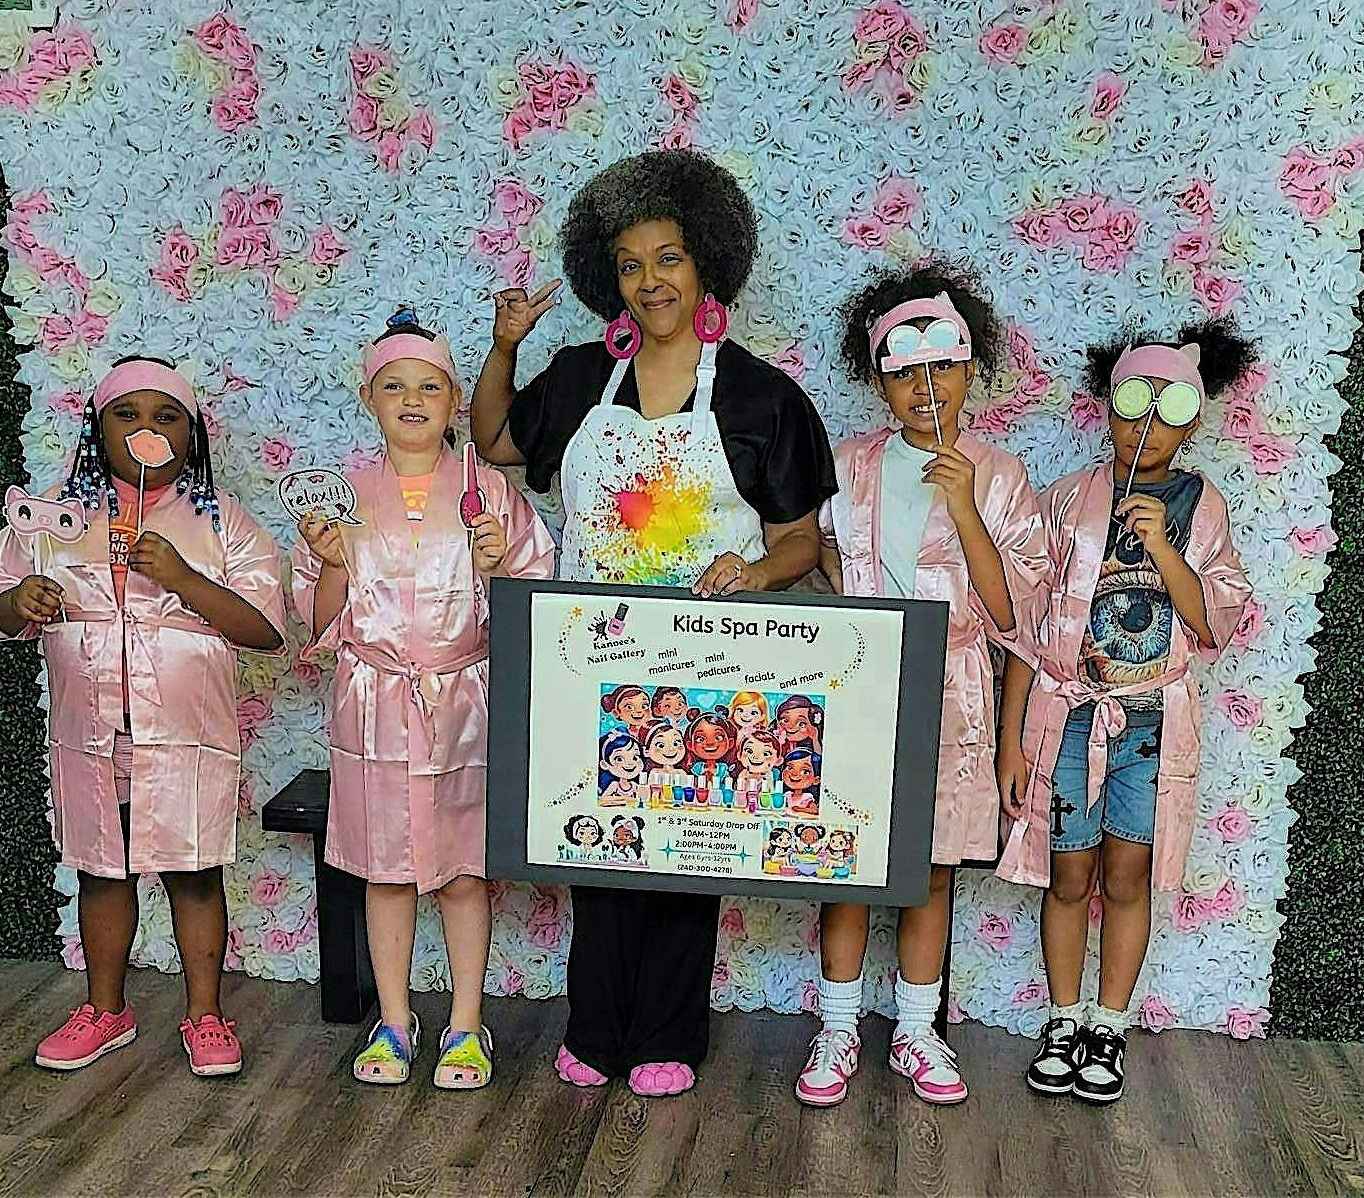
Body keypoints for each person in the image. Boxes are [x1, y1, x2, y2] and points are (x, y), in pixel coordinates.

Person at [472, 149, 837, 1097]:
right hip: (589, 655)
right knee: (596, 844)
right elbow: (496, 440)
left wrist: (754, 572)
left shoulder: (761, 396)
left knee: (686, 850)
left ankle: (670, 1034)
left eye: (668, 258)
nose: (650, 282)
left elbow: (800, 540)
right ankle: (594, 1029)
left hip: (710, 660)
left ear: (706, 260)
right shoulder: (579, 376)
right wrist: (505, 346)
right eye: (630, 265)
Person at [0, 357, 285, 1078]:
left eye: (166, 416)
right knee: (101, 870)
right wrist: (21, 601)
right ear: (97, 428)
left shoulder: (222, 523)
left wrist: (181, 577)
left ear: (191, 435)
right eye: (128, 415)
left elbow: (266, 628)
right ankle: (105, 1010)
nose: (148, 429)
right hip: (93, 737)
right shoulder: (52, 520)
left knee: (193, 872)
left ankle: (205, 1014)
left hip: (184, 739)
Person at [796, 263, 1050, 1109]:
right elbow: (820, 547)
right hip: (862, 686)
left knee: (932, 869)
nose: (926, 387)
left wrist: (967, 507)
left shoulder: (999, 474)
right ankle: (837, 1027)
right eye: (904, 372)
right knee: (846, 864)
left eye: (942, 367)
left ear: (970, 369)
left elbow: (1013, 612)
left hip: (955, 695)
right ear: (879, 383)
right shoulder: (850, 465)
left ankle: (915, 1029)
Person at [292, 313, 555, 1090]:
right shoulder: (343, 498)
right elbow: (315, 619)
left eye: (430, 386)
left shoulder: (489, 493)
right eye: (395, 386)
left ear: (454, 400)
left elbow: (533, 609)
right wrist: (331, 563)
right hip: (373, 702)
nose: (413, 400)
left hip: (462, 704)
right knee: (386, 871)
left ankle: (467, 1027)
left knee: (464, 872)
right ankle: (395, 1021)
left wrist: (497, 566)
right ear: (368, 398)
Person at [996, 320, 1255, 1105]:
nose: (1147, 427)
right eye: (1133, 405)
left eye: (1170, 410)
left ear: (1192, 420)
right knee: (1069, 870)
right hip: (1072, 715)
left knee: (1127, 871)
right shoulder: (1066, 500)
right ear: (1108, 407)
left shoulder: (1202, 506)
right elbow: (1026, 626)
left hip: (1149, 724)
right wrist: (1011, 743)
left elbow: (1213, 623)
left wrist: (1165, 548)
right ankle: (1063, 1019)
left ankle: (1109, 1025)